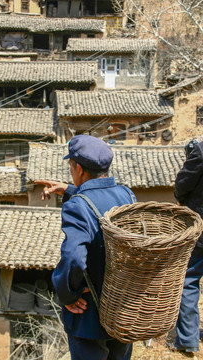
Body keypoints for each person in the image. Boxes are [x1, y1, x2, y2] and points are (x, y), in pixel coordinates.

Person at [35, 135, 136, 360]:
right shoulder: (128, 195)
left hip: (90, 314)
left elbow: (73, 258)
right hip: (122, 309)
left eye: (71, 167)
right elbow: (102, 204)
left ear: (78, 168)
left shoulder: (76, 207)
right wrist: (71, 189)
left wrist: (68, 294)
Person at [174, 139, 203, 353]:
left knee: (188, 280)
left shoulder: (201, 150)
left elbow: (184, 183)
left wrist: (181, 198)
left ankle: (188, 340)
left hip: (201, 228)